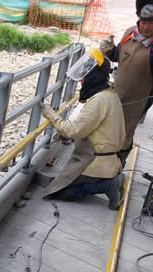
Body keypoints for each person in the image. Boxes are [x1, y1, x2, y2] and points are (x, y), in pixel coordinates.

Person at [40, 49, 127, 210]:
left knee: (59, 192)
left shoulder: (98, 100)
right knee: (60, 184)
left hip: (97, 161)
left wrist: (50, 114)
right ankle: (110, 180)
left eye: (84, 76)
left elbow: (73, 131)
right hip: (108, 157)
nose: (81, 81)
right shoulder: (109, 92)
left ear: (93, 77)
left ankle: (107, 184)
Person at [100, 0, 153, 163]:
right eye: (142, 23)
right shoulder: (131, 33)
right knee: (105, 128)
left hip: (139, 99)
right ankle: (99, 162)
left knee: (124, 134)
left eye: (149, 24)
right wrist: (109, 50)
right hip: (117, 91)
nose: (144, 27)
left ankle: (116, 168)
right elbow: (119, 56)